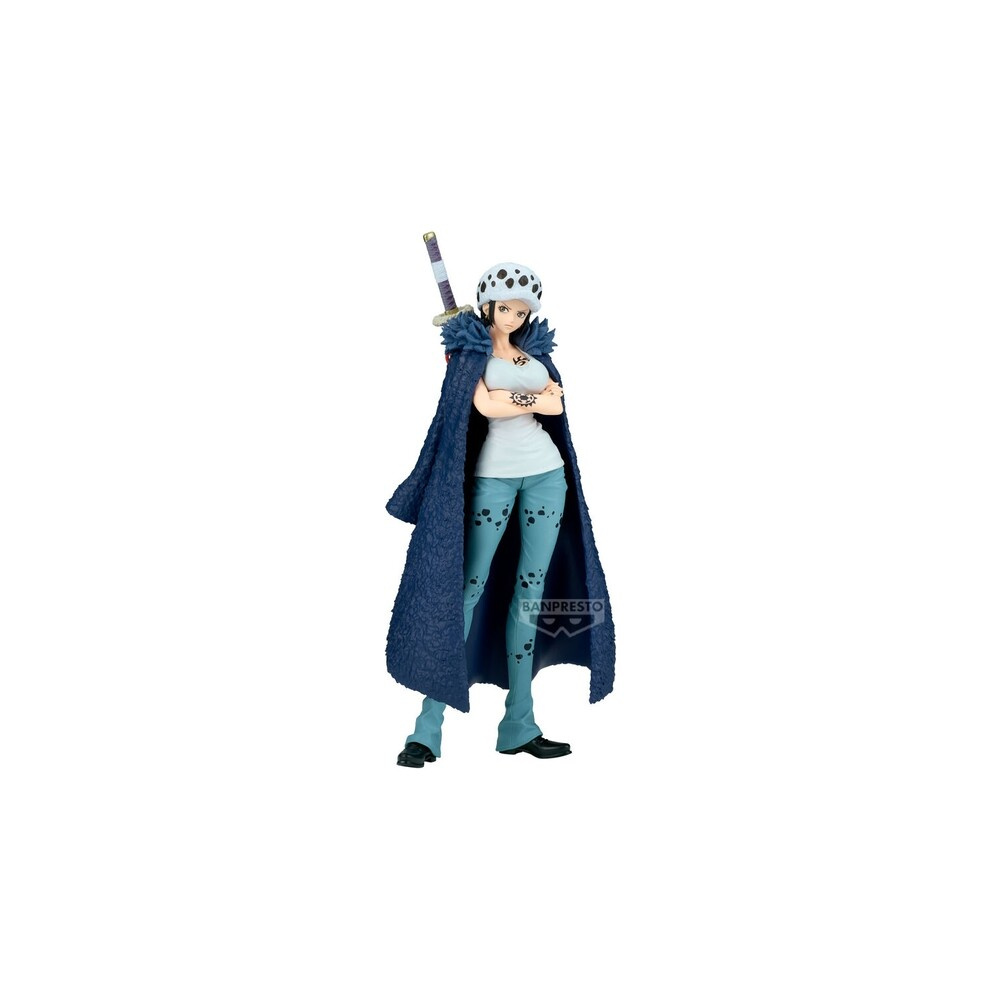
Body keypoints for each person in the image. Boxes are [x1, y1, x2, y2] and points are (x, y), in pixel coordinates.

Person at [386, 262, 615, 767]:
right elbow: (486, 409)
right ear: (488, 305)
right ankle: (427, 730)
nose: (513, 317)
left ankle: (520, 725)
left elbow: (555, 406)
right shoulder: (468, 355)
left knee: (530, 596)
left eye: (522, 311)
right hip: (492, 479)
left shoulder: (534, 355)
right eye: (506, 307)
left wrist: (514, 397)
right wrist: (530, 399)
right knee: (465, 590)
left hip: (547, 477)